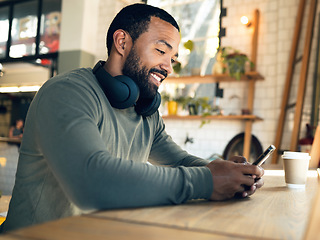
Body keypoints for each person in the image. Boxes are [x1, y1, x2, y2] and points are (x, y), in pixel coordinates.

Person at [1, 3, 264, 232]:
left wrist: (231, 173)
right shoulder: (66, 92)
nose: (168, 67)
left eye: (173, 59)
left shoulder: (145, 111)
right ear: (122, 42)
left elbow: (180, 160)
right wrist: (207, 181)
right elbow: (91, 182)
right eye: (162, 51)